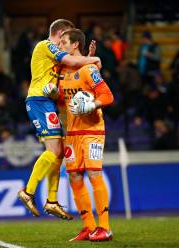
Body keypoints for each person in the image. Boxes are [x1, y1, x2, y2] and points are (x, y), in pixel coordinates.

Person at [17, 19, 101, 220]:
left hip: (47, 102)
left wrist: (87, 58)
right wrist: (95, 59)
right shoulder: (45, 45)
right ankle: (28, 192)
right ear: (61, 33)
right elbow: (72, 62)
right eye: (65, 37)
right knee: (54, 150)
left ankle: (52, 201)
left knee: (59, 151)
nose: (65, 42)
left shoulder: (54, 58)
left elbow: (74, 71)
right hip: (38, 101)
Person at [57, 29, 114, 241]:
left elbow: (108, 95)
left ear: (74, 45)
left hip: (92, 130)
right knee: (74, 177)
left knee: (94, 174)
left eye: (63, 42)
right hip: (72, 131)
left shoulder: (89, 70)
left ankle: (105, 227)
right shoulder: (63, 72)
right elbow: (65, 101)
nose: (60, 45)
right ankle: (89, 227)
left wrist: (92, 104)